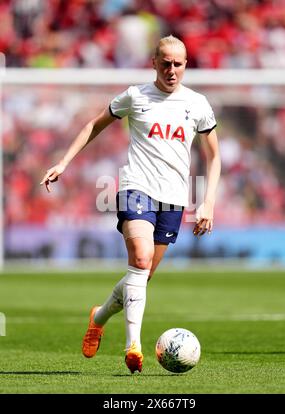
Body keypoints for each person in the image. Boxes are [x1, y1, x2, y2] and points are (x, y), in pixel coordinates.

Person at [40, 35, 221, 374]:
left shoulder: (197, 105)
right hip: (135, 188)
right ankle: (133, 346)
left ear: (185, 66)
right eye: (165, 63)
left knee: (142, 275)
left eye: (178, 64)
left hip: (174, 198)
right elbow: (94, 124)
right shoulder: (135, 96)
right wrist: (63, 163)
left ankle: (100, 316)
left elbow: (214, 156)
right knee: (139, 259)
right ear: (153, 63)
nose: (171, 70)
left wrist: (208, 202)